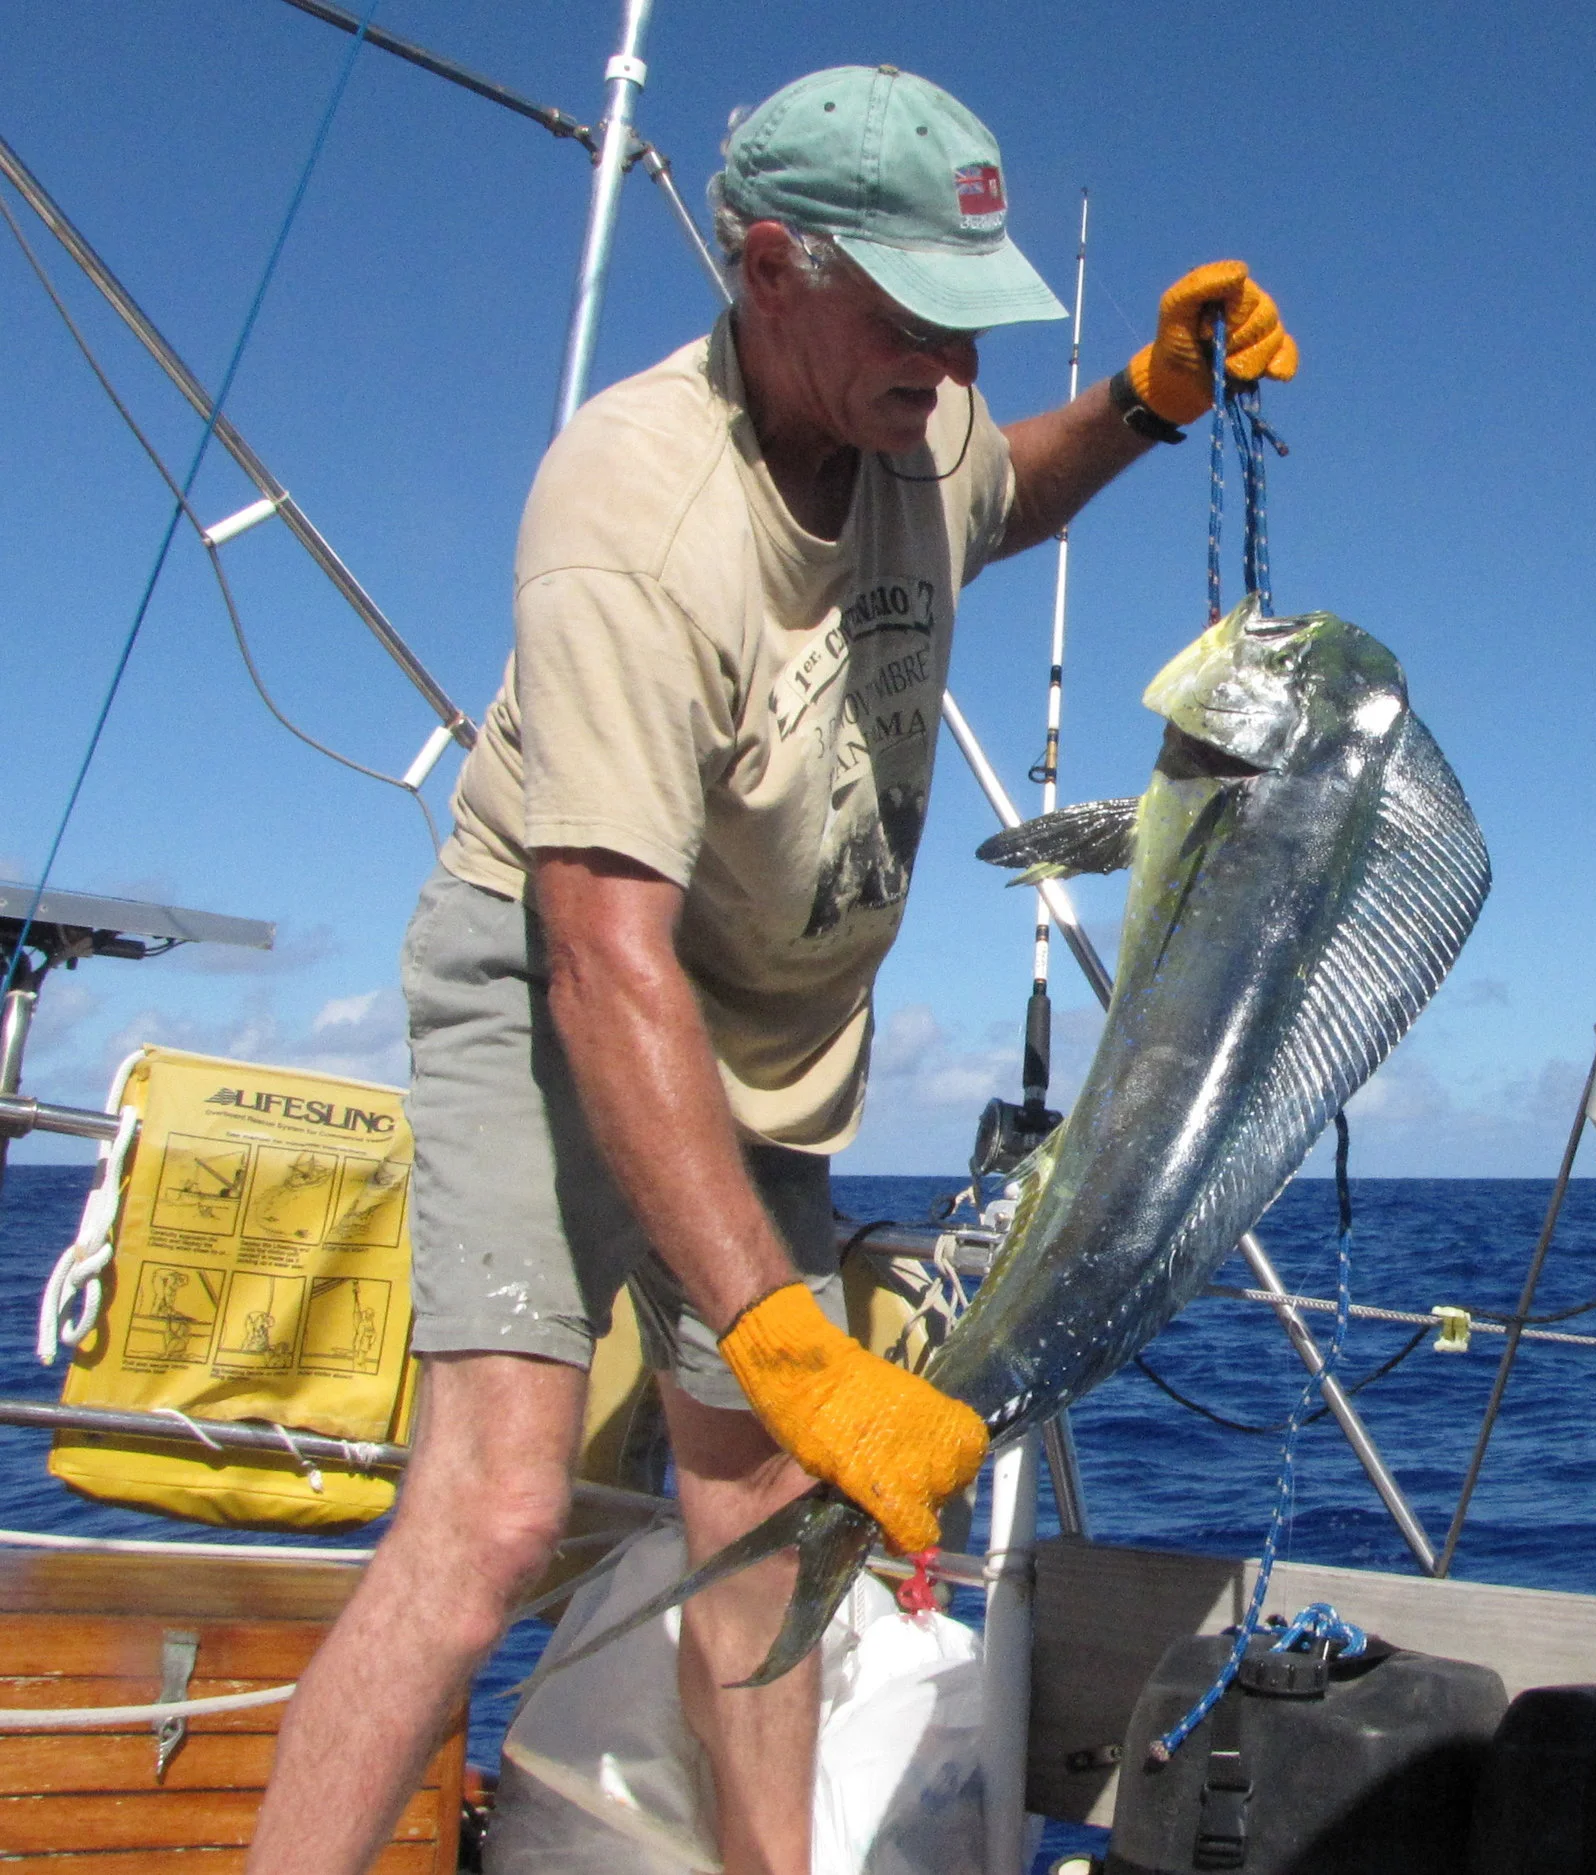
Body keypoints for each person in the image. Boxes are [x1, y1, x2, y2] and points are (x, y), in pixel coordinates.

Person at [246, 63, 1298, 1875]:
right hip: (562, 994)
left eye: (971, 323)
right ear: (765, 270)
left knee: (764, 1514)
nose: (951, 367)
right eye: (911, 317)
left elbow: (1003, 494)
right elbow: (603, 957)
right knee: (494, 1513)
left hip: (764, 1035)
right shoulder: (638, 514)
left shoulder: (913, 421)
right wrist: (781, 1333)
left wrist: (1145, 402)